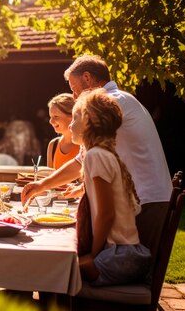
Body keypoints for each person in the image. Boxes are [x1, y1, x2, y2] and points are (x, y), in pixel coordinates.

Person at [22, 55, 172, 244]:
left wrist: (42, 186)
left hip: (146, 200)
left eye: (74, 90)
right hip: (149, 197)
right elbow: (82, 159)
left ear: (87, 78)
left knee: (130, 265)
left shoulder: (107, 103)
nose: (75, 97)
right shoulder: (121, 98)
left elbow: (82, 159)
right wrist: (42, 186)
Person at [71, 89, 150, 285]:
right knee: (63, 266)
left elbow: (107, 214)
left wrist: (93, 254)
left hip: (119, 256)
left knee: (59, 269)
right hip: (127, 253)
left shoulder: (95, 156)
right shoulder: (105, 153)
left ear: (88, 121)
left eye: (74, 118)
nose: (70, 125)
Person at [46, 93, 79, 169]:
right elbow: (50, 177)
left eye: (56, 117)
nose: (51, 121)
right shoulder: (53, 145)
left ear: (72, 116)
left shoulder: (84, 145)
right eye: (50, 117)